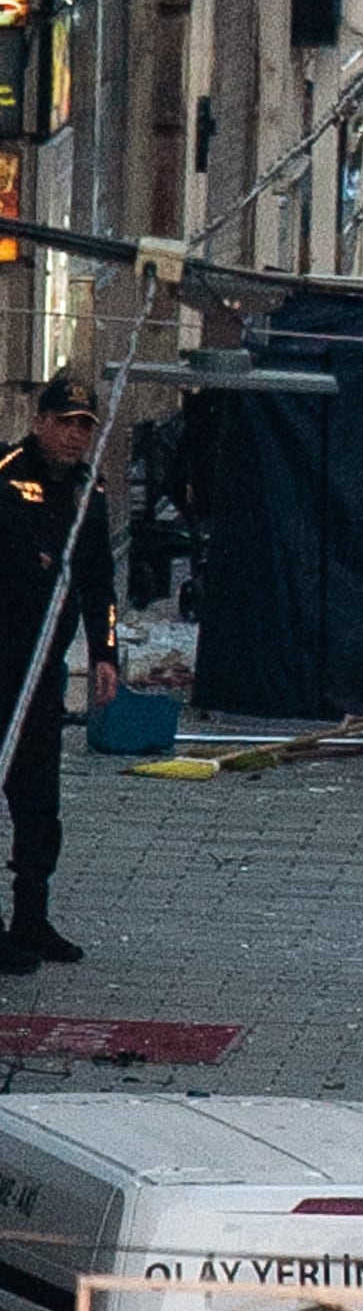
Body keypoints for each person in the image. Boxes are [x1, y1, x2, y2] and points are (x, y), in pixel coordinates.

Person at [0, 372, 117, 969]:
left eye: (84, 427)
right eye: (66, 423)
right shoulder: (6, 473)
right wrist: (31, 562)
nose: (74, 436)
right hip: (1, 658)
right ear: (41, 421)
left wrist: (106, 651)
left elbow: (99, 578)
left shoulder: (88, 491)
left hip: (45, 666)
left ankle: (31, 916)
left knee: (38, 795)